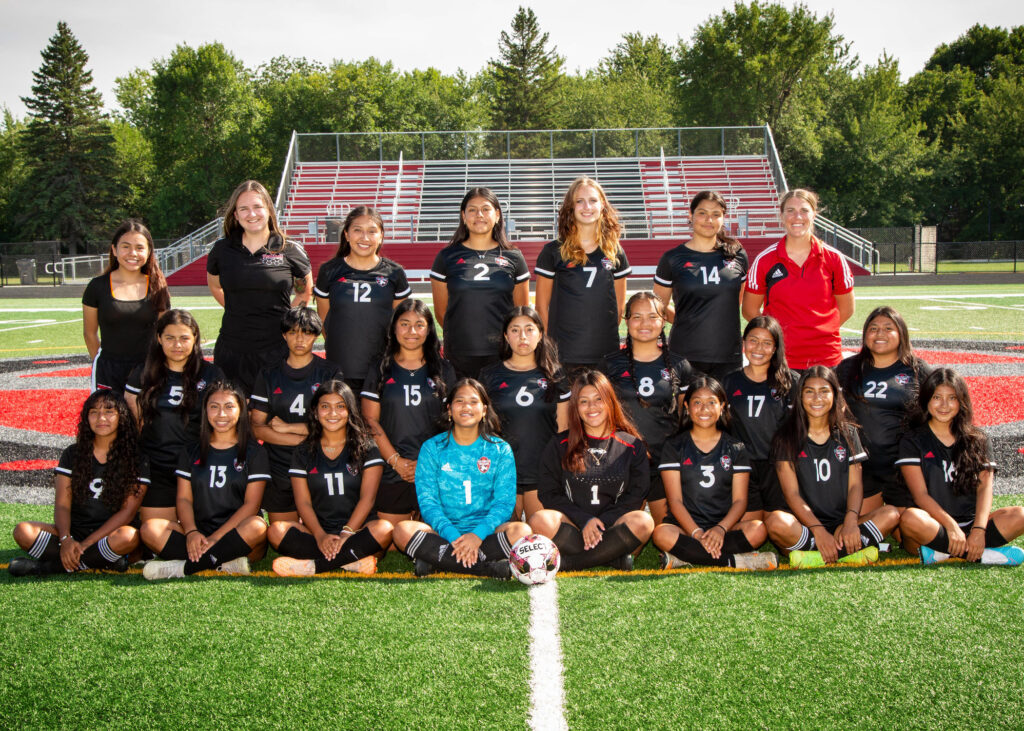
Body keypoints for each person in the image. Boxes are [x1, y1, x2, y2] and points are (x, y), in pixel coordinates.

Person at [393, 379, 530, 578]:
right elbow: (428, 502)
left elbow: (504, 503)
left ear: (484, 410)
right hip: (444, 534)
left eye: (473, 402)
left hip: (487, 533)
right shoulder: (432, 448)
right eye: (459, 401)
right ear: (449, 409)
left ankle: (438, 561)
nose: (466, 407)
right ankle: (488, 568)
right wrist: (454, 536)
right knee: (401, 531)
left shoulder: (500, 449)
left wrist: (477, 535)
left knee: (522, 531)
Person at [765, 367, 899, 567]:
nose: (817, 398)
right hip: (805, 525)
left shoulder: (848, 433)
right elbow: (792, 494)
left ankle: (815, 556)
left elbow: (855, 486)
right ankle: (846, 551)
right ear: (800, 397)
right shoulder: (786, 438)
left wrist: (850, 522)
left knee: (891, 514)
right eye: (809, 391)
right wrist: (818, 530)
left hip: (841, 522)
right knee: (776, 522)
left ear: (835, 395)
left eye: (824, 391)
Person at [9, 390, 149, 576]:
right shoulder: (72, 453)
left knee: (129, 536)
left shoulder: (137, 457)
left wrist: (87, 543)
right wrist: (67, 539)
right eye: (94, 412)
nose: (101, 418)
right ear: (86, 418)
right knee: (23, 531)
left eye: (109, 411)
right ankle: (101, 561)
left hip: (110, 534)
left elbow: (128, 512)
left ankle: (46, 568)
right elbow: (62, 505)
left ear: (121, 417)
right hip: (74, 530)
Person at [141, 381, 269, 579]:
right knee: (150, 529)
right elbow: (184, 499)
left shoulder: (254, 452)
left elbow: (251, 505)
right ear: (205, 410)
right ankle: (221, 562)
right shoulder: (190, 451)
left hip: (238, 533)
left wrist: (217, 538)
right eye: (214, 407)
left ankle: (184, 568)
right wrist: (192, 532)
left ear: (241, 409)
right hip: (199, 533)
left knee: (258, 526)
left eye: (229, 406)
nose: (221, 414)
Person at [896, 368, 1024, 565]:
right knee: (910, 519)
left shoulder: (977, 439)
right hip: (935, 525)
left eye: (952, 398)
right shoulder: (913, 440)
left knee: (1020, 515)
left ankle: (943, 553)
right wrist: (951, 526)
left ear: (961, 401)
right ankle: (983, 556)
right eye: (937, 397)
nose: (944, 405)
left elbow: (985, 488)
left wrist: (979, 530)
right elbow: (920, 495)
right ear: (926, 400)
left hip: (971, 525)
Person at [528, 370, 653, 571]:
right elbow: (549, 493)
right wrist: (584, 519)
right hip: (574, 526)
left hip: (611, 527)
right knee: (539, 520)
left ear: (610, 402)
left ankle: (570, 563)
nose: (591, 407)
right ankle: (611, 558)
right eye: (583, 401)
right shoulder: (559, 444)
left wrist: (601, 522)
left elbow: (635, 496)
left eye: (598, 399)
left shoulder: (632, 445)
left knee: (643, 521)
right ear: (575, 407)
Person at [269, 380, 394, 577]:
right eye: (325, 407)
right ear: (315, 412)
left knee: (385, 529)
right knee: (276, 530)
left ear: (350, 411)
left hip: (357, 530)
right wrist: (320, 536)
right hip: (318, 530)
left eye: (340, 407)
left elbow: (367, 499)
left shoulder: (367, 448)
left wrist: (347, 533)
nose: (332, 413)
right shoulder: (303, 451)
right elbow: (303, 502)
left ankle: (314, 566)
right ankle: (349, 561)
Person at [653, 377, 777, 570]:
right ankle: (737, 561)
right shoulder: (674, 446)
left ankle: (687, 557)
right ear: (686, 406)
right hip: (686, 527)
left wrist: (720, 529)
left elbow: (740, 501)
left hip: (724, 527)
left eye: (712, 402)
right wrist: (695, 533)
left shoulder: (736, 448)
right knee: (661, 534)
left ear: (722, 407)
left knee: (759, 530)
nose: (704, 409)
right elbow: (675, 501)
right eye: (697, 402)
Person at [206, 180, 313, 393]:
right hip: (232, 347)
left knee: (272, 415)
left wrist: (285, 321)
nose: (251, 214)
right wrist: (239, 310)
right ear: (235, 215)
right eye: (243, 209)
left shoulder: (289, 249)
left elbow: (304, 291)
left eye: (257, 207)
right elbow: (215, 285)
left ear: (269, 210)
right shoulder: (222, 250)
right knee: (231, 416)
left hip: (276, 348)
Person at [598, 292, 692, 525]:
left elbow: (683, 416)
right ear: (626, 321)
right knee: (625, 533)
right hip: (623, 460)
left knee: (667, 532)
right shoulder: (610, 364)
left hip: (665, 460)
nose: (645, 324)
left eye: (652, 316)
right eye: (637, 317)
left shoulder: (680, 365)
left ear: (663, 321)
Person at [361, 299, 456, 526]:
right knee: (391, 536)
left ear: (429, 329)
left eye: (419, 324)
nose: (412, 331)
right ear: (394, 328)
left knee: (433, 531)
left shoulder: (444, 369)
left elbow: (458, 423)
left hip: (436, 468)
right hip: (392, 468)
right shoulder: (380, 368)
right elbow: (370, 421)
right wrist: (396, 462)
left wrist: (427, 464)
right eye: (404, 324)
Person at [125, 309, 222, 523]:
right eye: (170, 338)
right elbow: (133, 425)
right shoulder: (142, 374)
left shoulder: (211, 374)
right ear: (159, 339)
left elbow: (222, 424)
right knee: (154, 530)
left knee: (210, 524)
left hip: (199, 464)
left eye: (184, 338)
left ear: (195, 338)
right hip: (156, 466)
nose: (177, 345)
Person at [742, 189, 855, 370]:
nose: (797, 217)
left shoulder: (834, 258)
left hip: (825, 358)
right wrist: (774, 336)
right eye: (790, 211)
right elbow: (749, 310)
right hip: (781, 360)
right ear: (781, 215)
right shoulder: (765, 260)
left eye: (804, 210)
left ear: (814, 214)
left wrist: (819, 331)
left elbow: (847, 309)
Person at [250, 307, 341, 523]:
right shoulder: (268, 373)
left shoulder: (330, 373)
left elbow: (335, 424)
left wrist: (288, 427)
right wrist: (303, 438)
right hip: (280, 463)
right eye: (293, 332)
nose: (299, 339)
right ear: (284, 335)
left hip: (320, 461)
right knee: (282, 532)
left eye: (307, 333)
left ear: (316, 335)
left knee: (325, 527)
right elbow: (256, 427)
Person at [479, 307, 570, 520]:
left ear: (540, 334)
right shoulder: (489, 375)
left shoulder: (555, 375)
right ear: (505, 336)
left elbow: (564, 429)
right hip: (501, 469)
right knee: (505, 535)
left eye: (529, 329)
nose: (522, 336)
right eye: (515, 330)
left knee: (542, 534)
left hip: (541, 467)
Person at [837, 306, 931, 513]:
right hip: (863, 467)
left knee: (909, 530)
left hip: (903, 466)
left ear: (901, 333)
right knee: (860, 524)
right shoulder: (848, 367)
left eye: (888, 328)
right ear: (865, 334)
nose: (880, 334)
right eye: (873, 328)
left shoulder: (918, 370)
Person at [430, 188, 530, 380]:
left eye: (486, 209)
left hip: (503, 354)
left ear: (497, 214)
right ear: (463, 215)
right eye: (473, 210)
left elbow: (521, 311)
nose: (479, 215)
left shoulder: (514, 257)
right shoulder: (446, 257)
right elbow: (442, 313)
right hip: (459, 354)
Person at [535, 176, 631, 373]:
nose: (587, 206)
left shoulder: (615, 252)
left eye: (593, 200)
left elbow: (618, 308)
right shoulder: (553, 251)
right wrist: (550, 347)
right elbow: (541, 307)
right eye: (580, 201)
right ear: (571, 207)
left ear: (602, 205)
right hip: (564, 354)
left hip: (605, 353)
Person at [653, 191, 748, 381]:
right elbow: (658, 307)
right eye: (702, 213)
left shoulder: (737, 255)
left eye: (716, 214)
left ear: (723, 218)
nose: (709, 220)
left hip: (728, 355)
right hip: (686, 354)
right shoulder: (672, 258)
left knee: (725, 410)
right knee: (686, 409)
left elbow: (735, 301)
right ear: (691, 215)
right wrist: (688, 319)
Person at [315, 206, 410, 391]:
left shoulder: (395, 273)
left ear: (381, 235)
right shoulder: (329, 271)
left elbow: (402, 324)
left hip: (383, 370)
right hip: (340, 369)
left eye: (372, 231)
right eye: (357, 230)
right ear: (346, 234)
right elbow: (325, 322)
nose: (364, 238)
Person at [82, 219, 170, 394]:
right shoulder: (97, 286)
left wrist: (155, 366)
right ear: (114, 250)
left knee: (145, 421)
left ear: (149, 251)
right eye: (125, 246)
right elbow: (89, 333)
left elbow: (164, 333)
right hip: (109, 370)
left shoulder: (158, 286)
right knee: (109, 419)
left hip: (147, 369)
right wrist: (103, 363)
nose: (133, 253)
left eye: (139, 247)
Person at [722, 316, 796, 521]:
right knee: (752, 527)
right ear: (743, 343)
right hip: (743, 466)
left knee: (779, 526)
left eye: (767, 343)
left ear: (775, 348)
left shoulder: (791, 382)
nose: (758, 348)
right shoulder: (729, 381)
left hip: (779, 465)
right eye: (753, 340)